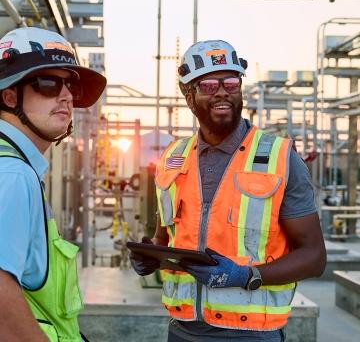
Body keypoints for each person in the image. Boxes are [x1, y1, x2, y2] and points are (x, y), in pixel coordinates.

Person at [130, 40, 326, 342]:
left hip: (252, 334)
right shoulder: (172, 159)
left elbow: (314, 256)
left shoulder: (280, 158)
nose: (222, 91)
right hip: (183, 329)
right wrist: (151, 257)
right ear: (188, 94)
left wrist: (247, 276)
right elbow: (165, 240)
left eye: (231, 82)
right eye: (208, 85)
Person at [0, 27, 106, 341]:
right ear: (9, 96)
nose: (67, 96)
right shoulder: (13, 175)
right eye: (48, 82)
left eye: (70, 84)